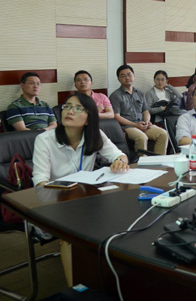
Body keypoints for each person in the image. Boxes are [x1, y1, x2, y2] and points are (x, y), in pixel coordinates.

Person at [31, 93, 129, 287]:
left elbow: (120, 155)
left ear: (88, 118)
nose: (70, 111)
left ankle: (113, 279)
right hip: (54, 201)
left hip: (86, 200)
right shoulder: (45, 140)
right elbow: (40, 182)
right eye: (67, 106)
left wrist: (119, 161)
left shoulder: (95, 135)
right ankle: (76, 291)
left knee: (119, 218)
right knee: (72, 237)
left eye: (78, 108)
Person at [109, 65, 168, 155]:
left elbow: (146, 111)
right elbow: (117, 116)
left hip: (142, 124)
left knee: (163, 134)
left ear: (134, 76)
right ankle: (141, 162)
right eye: (123, 76)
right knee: (142, 137)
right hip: (127, 127)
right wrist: (135, 125)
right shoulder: (115, 95)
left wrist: (147, 121)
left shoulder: (140, 93)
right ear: (118, 79)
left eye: (129, 74)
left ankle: (159, 161)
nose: (127, 78)